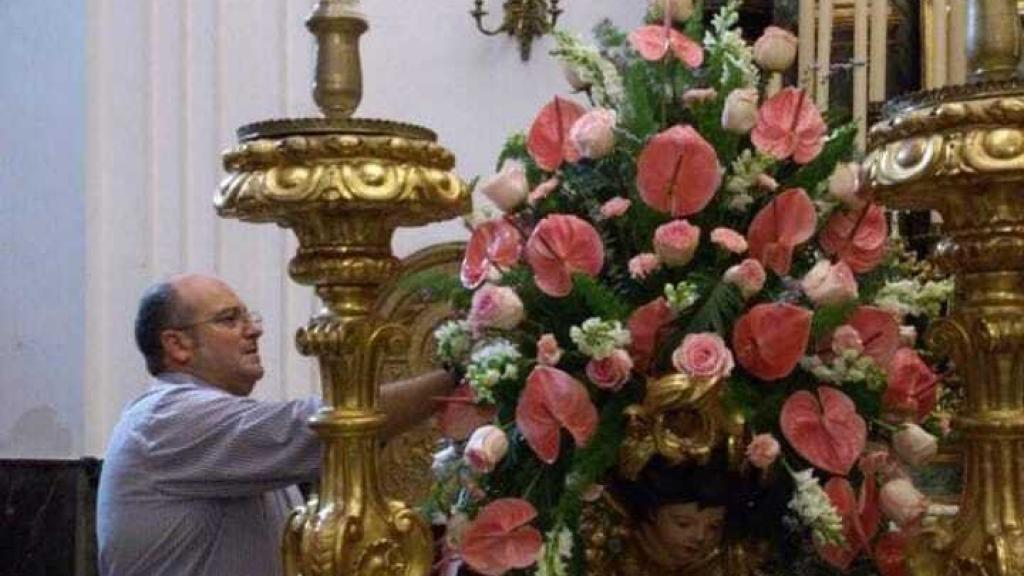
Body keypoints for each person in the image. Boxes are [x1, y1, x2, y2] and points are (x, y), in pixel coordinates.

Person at [96, 274, 454, 576]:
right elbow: (326, 427)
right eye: (229, 319)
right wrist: (454, 377)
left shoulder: (214, 419)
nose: (253, 330)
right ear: (177, 345)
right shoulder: (168, 419)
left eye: (248, 317)